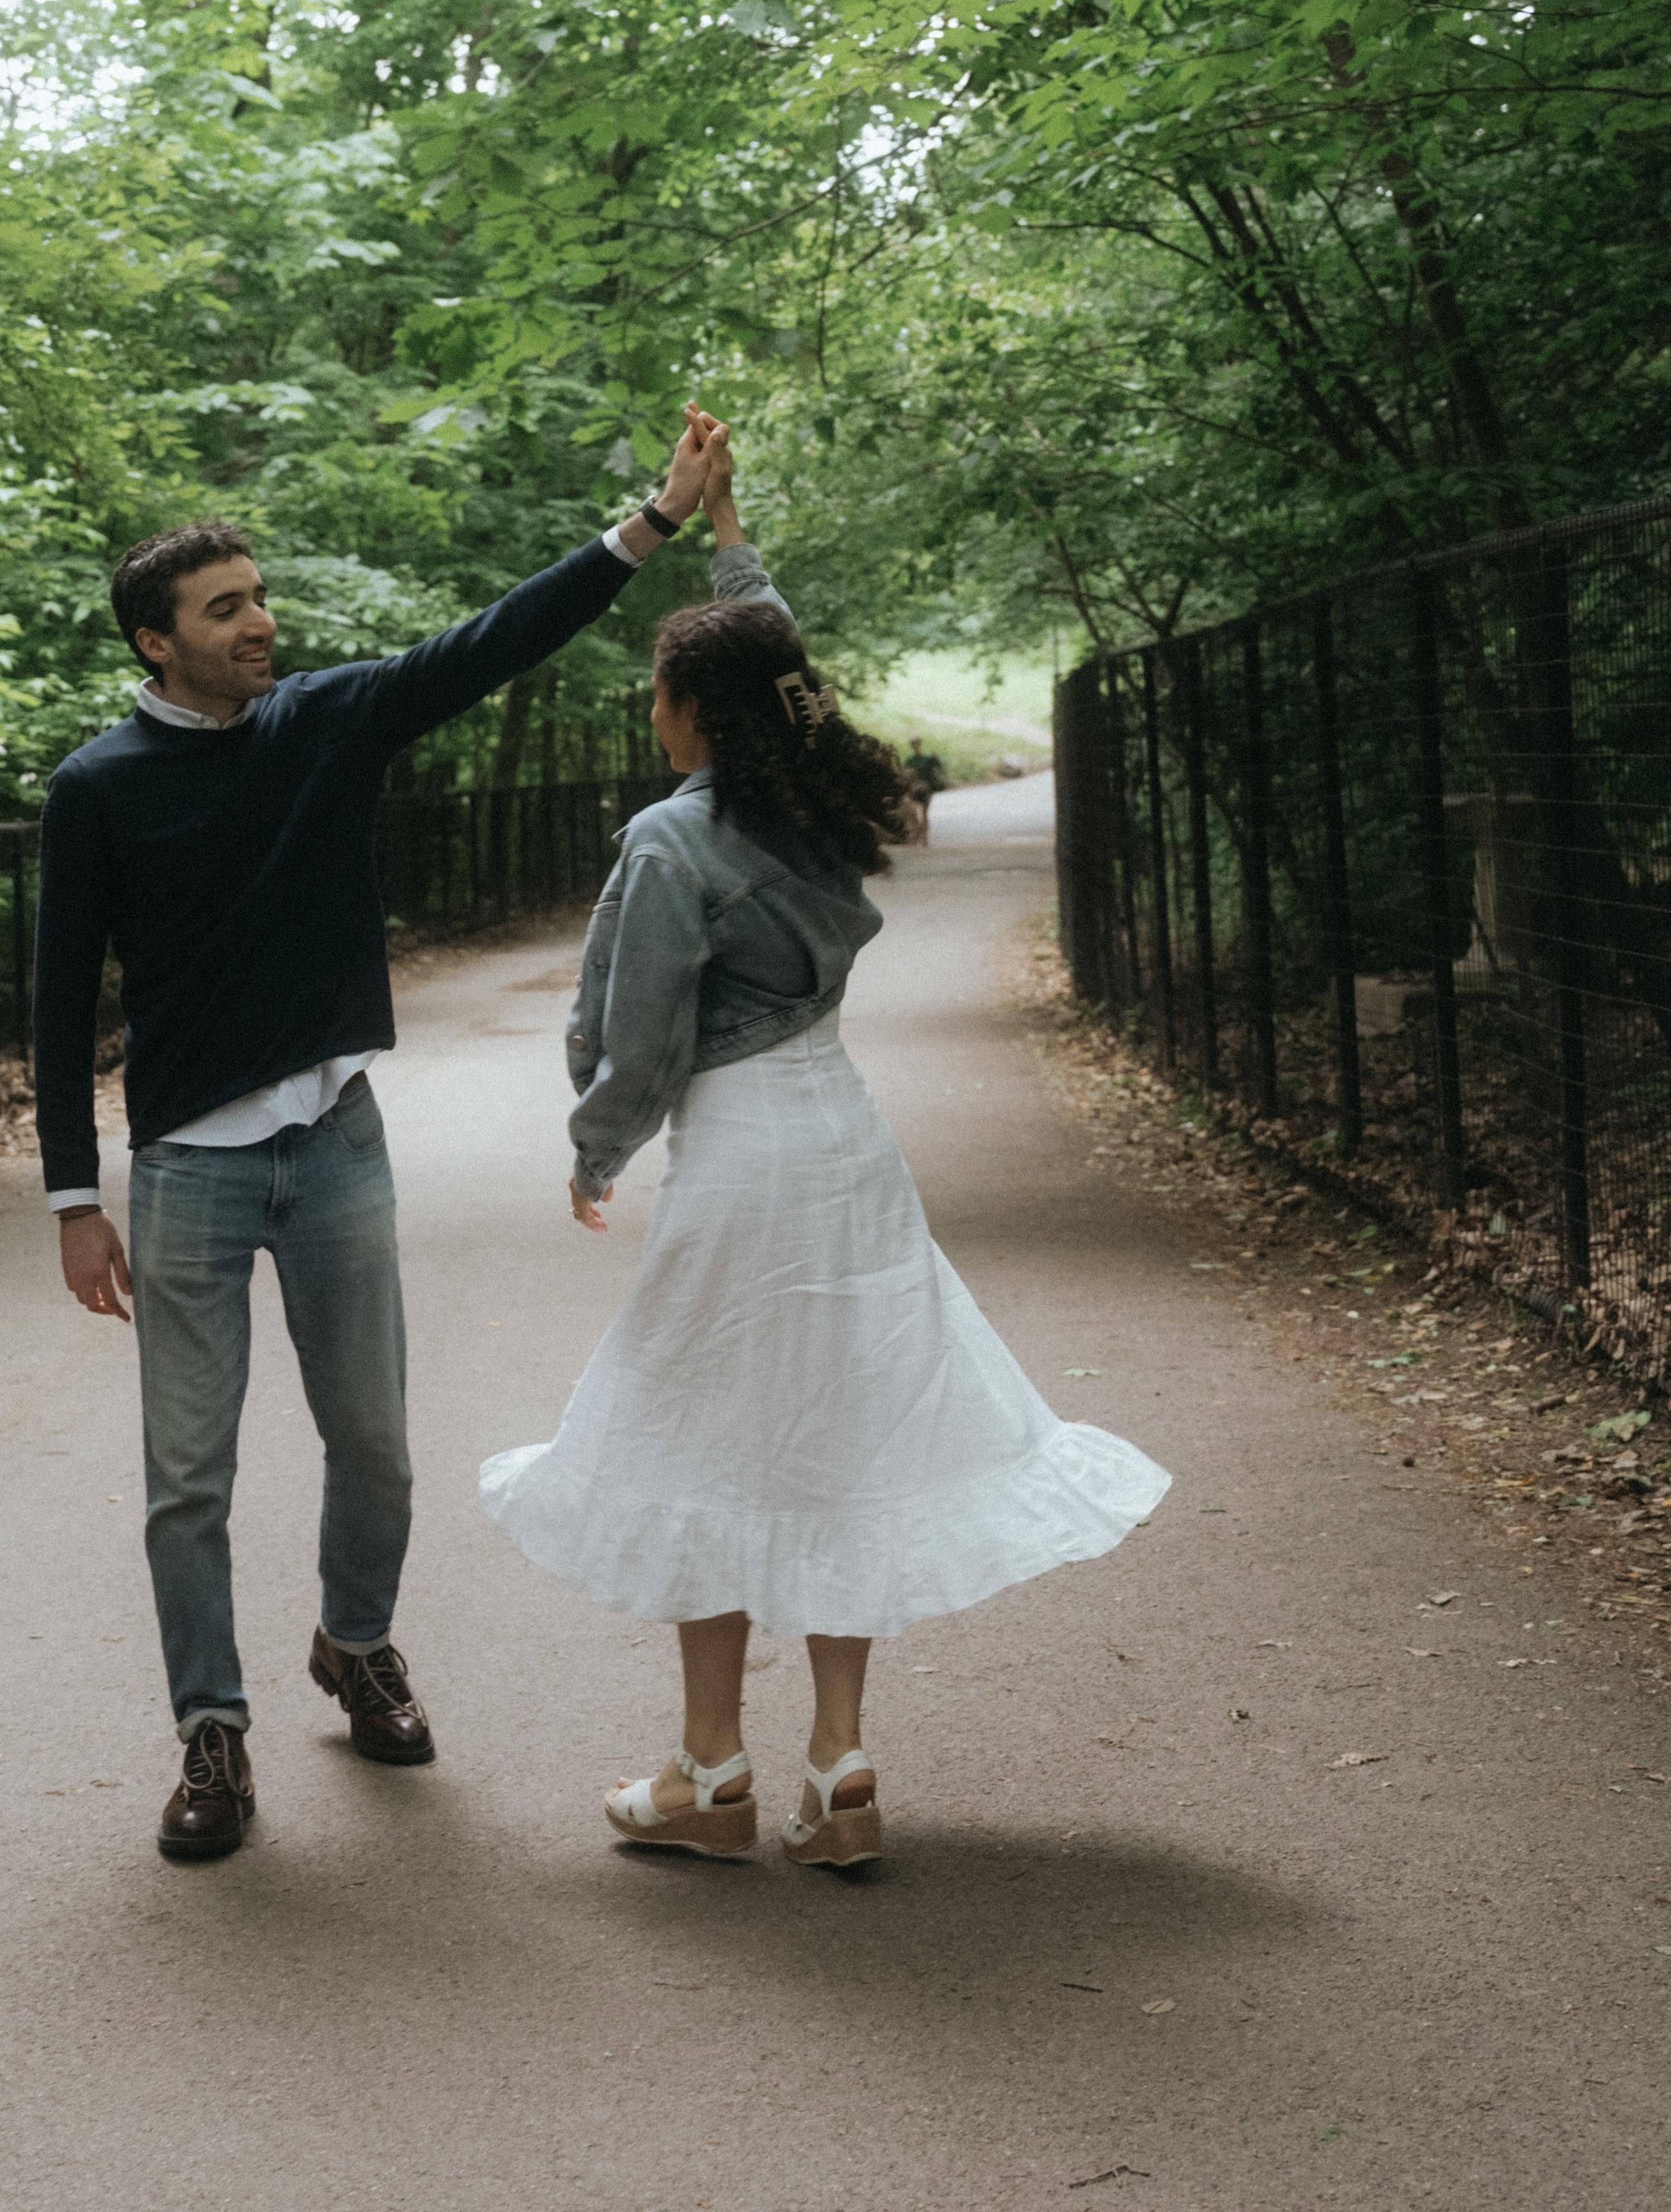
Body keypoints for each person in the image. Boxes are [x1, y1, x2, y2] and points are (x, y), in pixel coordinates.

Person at [35, 405, 732, 1862]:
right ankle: (209, 1737)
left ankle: (354, 1644)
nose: (258, 624)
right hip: (185, 1174)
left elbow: (487, 642)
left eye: (258, 598)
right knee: (189, 1478)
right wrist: (67, 1198)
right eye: (223, 608)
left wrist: (650, 523)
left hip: (334, 1142)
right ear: (153, 643)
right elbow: (54, 1000)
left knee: (376, 1446)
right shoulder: (95, 788)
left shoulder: (322, 723)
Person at [479, 446, 1168, 1868]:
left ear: (689, 709)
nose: (649, 711)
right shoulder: (815, 806)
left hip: (735, 1154)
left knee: (698, 1439)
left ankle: (705, 1767)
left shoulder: (672, 844)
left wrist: (593, 1148)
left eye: (659, 692)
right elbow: (785, 669)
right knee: (844, 1431)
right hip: (844, 1145)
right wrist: (731, 543)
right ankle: (837, 1757)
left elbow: (641, 1037)